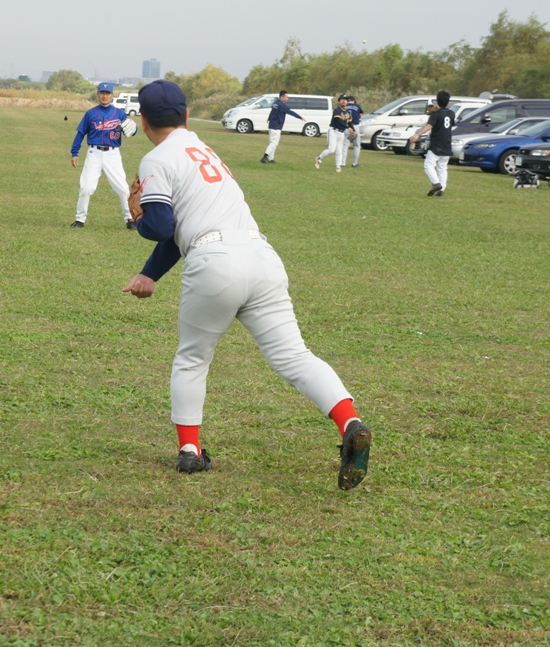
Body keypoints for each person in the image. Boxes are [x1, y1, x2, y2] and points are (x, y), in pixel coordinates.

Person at [122, 80, 372, 490]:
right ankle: (351, 422)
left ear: (144, 121)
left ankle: (189, 452)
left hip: (213, 262)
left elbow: (163, 226)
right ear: (185, 116)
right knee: (294, 356)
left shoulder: (156, 159)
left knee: (193, 358)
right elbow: (189, 224)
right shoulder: (205, 149)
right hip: (261, 256)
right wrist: (150, 272)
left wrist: (138, 220)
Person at [70, 82, 136, 229]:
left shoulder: (119, 114)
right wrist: (75, 152)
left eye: (107, 93)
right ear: (98, 94)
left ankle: (130, 219)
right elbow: (81, 133)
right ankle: (80, 219)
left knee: (123, 188)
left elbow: (130, 131)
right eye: (102, 93)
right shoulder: (91, 113)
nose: (104, 96)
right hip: (94, 153)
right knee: (86, 188)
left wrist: (134, 129)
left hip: (113, 154)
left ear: (112, 96)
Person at [409, 91, 455, 197]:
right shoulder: (451, 113)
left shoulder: (436, 114)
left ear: (437, 101)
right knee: (442, 167)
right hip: (447, 143)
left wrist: (417, 135)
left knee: (428, 165)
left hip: (437, 144)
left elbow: (429, 126)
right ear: (448, 102)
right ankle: (441, 189)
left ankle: (436, 183)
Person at [261, 91, 304, 163]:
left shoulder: (275, 103)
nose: (287, 98)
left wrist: (269, 119)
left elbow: (272, 112)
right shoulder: (282, 105)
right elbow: (290, 112)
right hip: (276, 126)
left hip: (272, 125)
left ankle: (271, 159)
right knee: (274, 143)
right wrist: (300, 117)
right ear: (282, 97)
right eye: (286, 97)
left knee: (272, 142)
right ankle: (265, 157)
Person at [315, 95, 355, 173]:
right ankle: (319, 158)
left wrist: (353, 129)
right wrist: (347, 127)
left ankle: (338, 167)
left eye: (345, 100)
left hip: (341, 133)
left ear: (347, 102)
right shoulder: (337, 110)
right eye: (342, 100)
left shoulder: (347, 112)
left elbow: (350, 122)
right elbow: (338, 120)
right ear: (339, 101)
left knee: (339, 151)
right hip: (333, 131)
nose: (344, 101)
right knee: (331, 149)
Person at [345, 95, 365, 167]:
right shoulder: (357, 106)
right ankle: (354, 163)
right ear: (354, 100)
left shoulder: (344, 106)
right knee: (356, 145)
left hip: (346, 127)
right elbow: (360, 114)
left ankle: (342, 163)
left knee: (345, 145)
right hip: (355, 126)